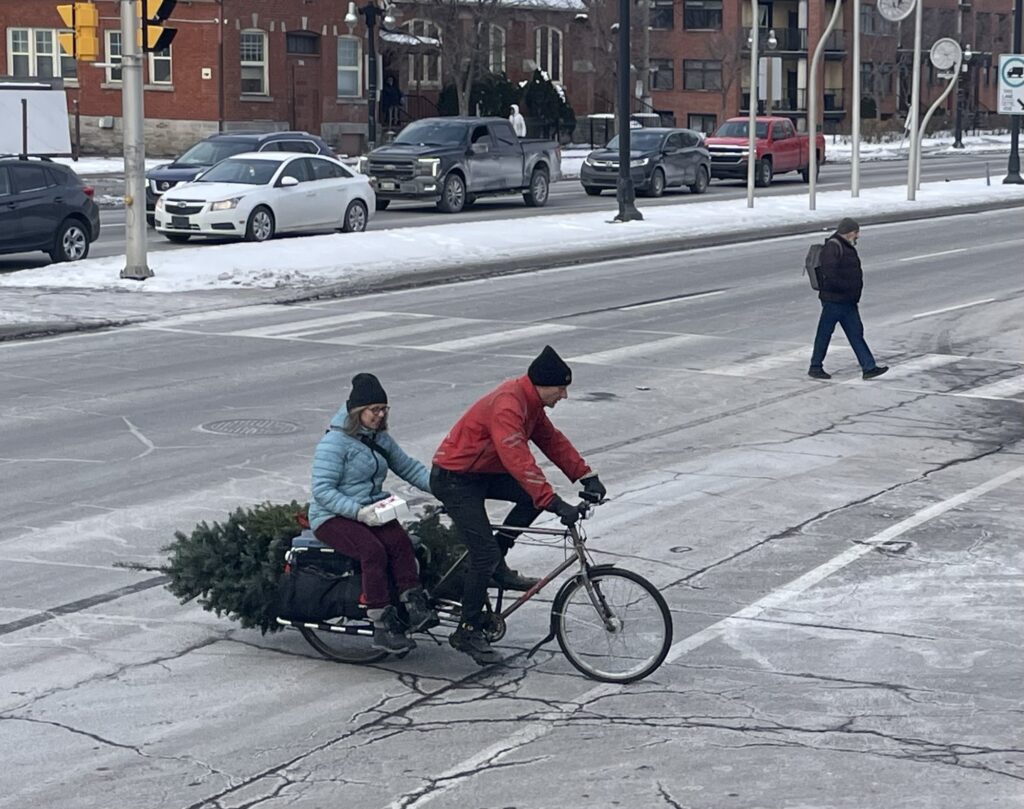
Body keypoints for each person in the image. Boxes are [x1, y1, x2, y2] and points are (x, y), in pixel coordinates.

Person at [430, 346, 607, 664]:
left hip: (481, 474)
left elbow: (553, 441)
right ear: (542, 384)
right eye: (561, 388)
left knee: (525, 504)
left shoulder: (531, 403)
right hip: (455, 478)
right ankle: (467, 630)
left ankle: (496, 564)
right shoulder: (509, 404)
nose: (564, 395)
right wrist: (552, 501)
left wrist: (586, 476)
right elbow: (517, 457)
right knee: (483, 553)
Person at [308, 373, 438, 653]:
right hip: (332, 515)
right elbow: (322, 490)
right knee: (372, 551)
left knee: (400, 543)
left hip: (371, 508)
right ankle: (381, 624)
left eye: (384, 410)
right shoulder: (335, 443)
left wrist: (443, 488)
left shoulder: (378, 437)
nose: (380, 416)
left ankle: (413, 604)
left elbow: (408, 467)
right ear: (357, 412)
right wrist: (358, 512)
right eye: (374, 410)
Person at [808, 217, 889, 381]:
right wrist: (845, 289)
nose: (858, 236)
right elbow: (829, 274)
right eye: (857, 232)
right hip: (835, 300)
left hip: (846, 300)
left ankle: (869, 367)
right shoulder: (833, 247)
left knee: (855, 334)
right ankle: (815, 366)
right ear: (851, 232)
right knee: (825, 333)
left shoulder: (843, 245)